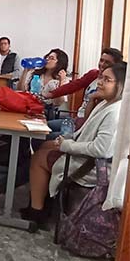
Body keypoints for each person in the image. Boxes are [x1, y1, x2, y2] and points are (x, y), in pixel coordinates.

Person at [22, 62, 126, 224]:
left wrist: (67, 145)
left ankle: (36, 212)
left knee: (38, 159)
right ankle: (44, 199)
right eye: (101, 78)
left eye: (107, 80)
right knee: (45, 145)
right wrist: (68, 139)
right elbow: (85, 130)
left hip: (91, 166)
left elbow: (102, 150)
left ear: (121, 85)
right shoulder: (106, 103)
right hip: (85, 156)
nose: (99, 82)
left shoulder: (115, 112)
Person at [46, 47, 123, 124]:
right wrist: (51, 94)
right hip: (78, 118)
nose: (102, 64)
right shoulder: (93, 74)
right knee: (47, 125)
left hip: (89, 122)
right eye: (101, 60)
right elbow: (75, 85)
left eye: (107, 62)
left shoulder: (112, 87)